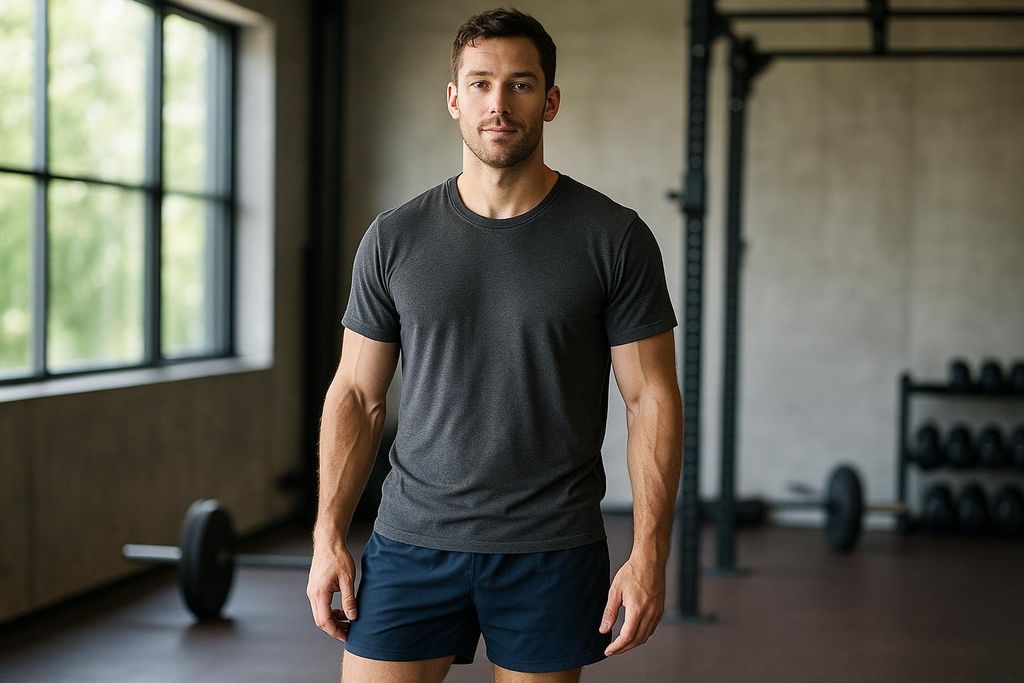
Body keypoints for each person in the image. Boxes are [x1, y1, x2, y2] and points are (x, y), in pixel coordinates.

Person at [306, 7, 683, 683]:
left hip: (551, 547)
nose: (498, 103)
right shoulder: (395, 237)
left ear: (552, 100)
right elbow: (357, 395)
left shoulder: (614, 237)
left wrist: (649, 551)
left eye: (520, 84)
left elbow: (650, 398)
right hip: (412, 541)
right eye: (480, 83)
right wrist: (327, 534)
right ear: (453, 98)